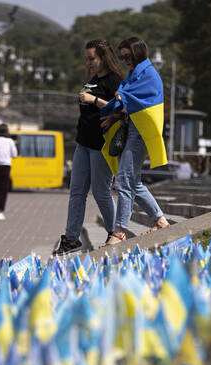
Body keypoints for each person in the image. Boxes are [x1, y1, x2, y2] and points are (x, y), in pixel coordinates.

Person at [53, 39, 123, 255]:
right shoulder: (92, 80)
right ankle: (72, 238)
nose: (88, 63)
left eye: (92, 58)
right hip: (83, 144)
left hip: (101, 145)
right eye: (87, 59)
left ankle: (115, 233)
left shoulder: (115, 81)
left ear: (104, 58)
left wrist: (94, 100)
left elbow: (122, 108)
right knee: (76, 192)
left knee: (101, 191)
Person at [100, 36, 170, 246]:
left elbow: (138, 100)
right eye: (123, 58)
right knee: (132, 181)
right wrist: (115, 113)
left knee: (123, 180)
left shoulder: (148, 74)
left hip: (140, 133)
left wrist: (120, 98)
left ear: (138, 52)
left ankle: (120, 231)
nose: (126, 61)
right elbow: (129, 101)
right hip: (133, 130)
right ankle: (160, 220)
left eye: (128, 56)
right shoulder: (134, 75)